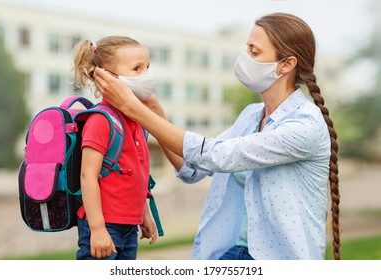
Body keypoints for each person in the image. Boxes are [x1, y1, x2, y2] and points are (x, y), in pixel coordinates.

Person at [93, 13, 341, 260]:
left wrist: (132, 108)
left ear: (286, 64)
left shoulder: (304, 125)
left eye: (254, 52)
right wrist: (155, 113)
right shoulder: (251, 116)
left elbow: (216, 155)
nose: (244, 58)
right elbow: (192, 169)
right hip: (232, 253)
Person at [72, 35, 158, 260]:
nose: (146, 75)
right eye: (137, 69)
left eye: (147, 67)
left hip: (129, 227)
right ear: (106, 76)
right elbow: (87, 176)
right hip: (105, 226)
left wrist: (143, 215)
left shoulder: (137, 120)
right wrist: (98, 229)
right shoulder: (101, 120)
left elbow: (136, 175)